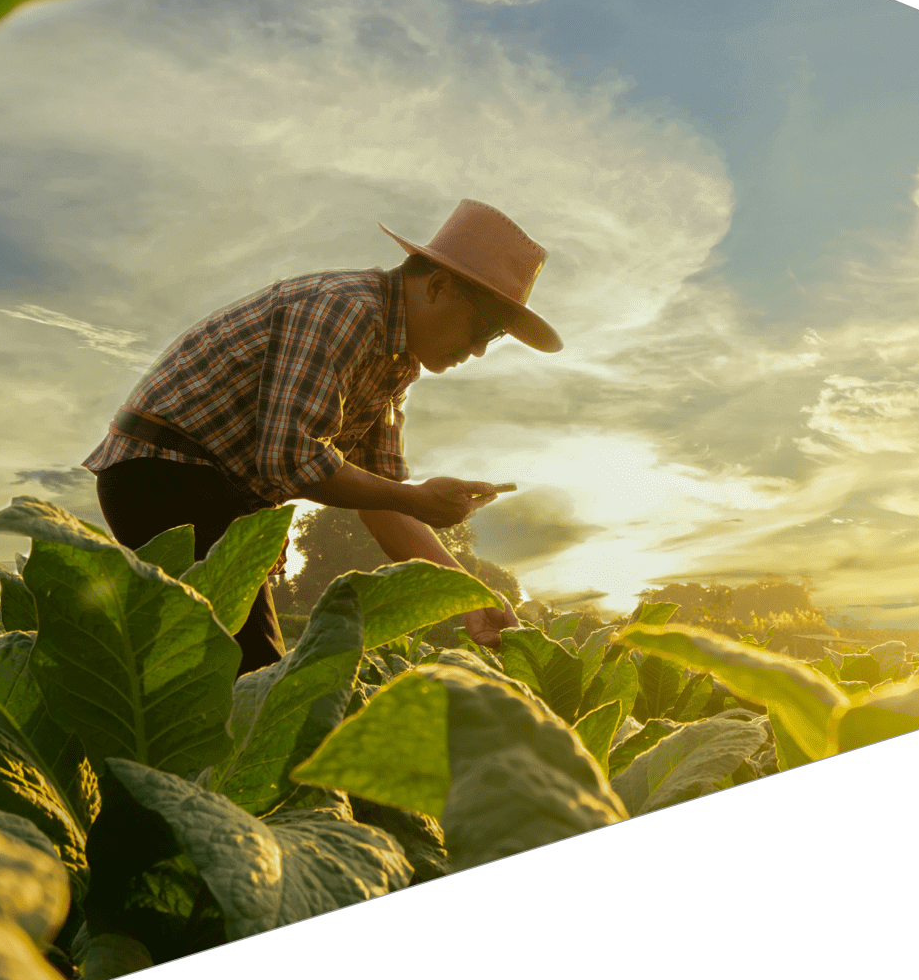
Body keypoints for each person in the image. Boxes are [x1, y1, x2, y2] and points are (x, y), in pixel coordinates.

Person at [80, 199, 563, 673]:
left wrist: (467, 593)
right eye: (485, 328)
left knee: (217, 674)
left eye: (494, 337)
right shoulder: (346, 310)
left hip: (213, 492)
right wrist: (413, 499)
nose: (479, 350)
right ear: (437, 287)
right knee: (249, 677)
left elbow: (384, 502)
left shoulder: (394, 361)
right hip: (164, 474)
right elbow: (290, 460)